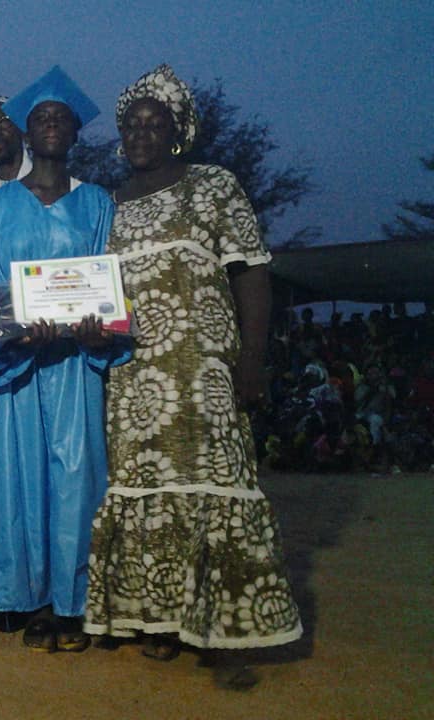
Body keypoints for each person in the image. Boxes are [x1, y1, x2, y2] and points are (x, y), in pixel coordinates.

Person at [85, 65, 302, 689]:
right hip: (134, 376)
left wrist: (252, 358)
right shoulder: (108, 204)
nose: (141, 133)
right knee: (145, 484)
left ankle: (227, 628)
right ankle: (160, 620)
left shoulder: (214, 186)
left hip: (204, 366)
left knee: (215, 480)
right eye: (131, 124)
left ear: (178, 132)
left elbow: (251, 271)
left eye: (155, 124)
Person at [0, 66, 132, 653]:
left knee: (77, 481)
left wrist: (99, 332)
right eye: (41, 118)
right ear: (26, 132)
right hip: (20, 368)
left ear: (77, 132)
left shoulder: (98, 205)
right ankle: (32, 599)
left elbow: (113, 286)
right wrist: (14, 333)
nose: (52, 124)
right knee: (19, 483)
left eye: (62, 117)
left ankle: (76, 602)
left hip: (75, 369)